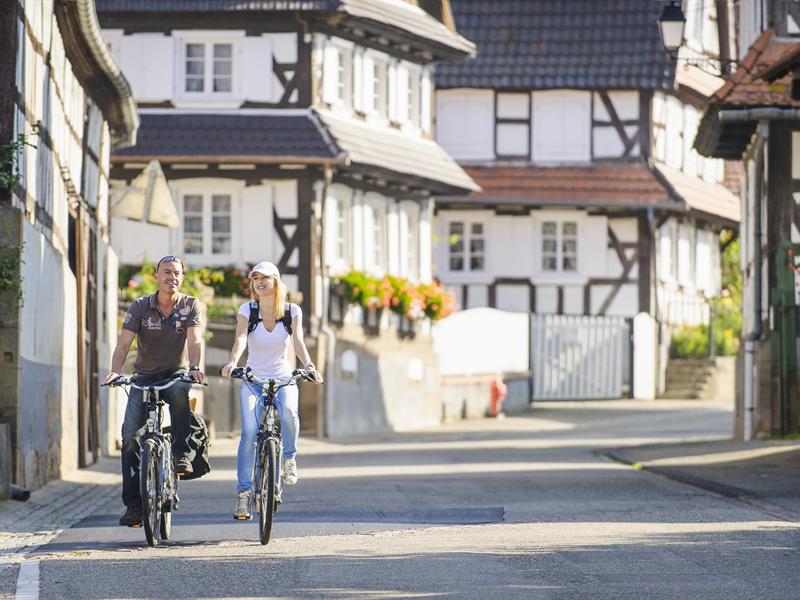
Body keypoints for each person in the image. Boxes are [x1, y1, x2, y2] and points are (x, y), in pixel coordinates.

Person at [104, 256, 206, 527]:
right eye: (167, 272)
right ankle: (134, 507)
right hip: (144, 377)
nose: (172, 277)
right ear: (156, 277)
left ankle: (181, 453)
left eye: (177, 273)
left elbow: (195, 340)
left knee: (179, 393)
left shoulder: (190, 306)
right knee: (129, 436)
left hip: (175, 374)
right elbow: (124, 343)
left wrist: (195, 366)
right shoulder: (140, 307)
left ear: (181, 278)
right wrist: (115, 371)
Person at [221, 261, 322, 520]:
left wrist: (309, 365)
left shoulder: (291, 311)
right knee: (250, 432)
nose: (260, 282)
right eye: (256, 279)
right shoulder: (248, 310)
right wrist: (233, 362)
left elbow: (298, 341)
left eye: (265, 278)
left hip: (282, 378)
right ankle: (244, 495)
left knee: (289, 413)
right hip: (254, 380)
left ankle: (289, 458)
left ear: (276, 282)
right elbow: (241, 338)